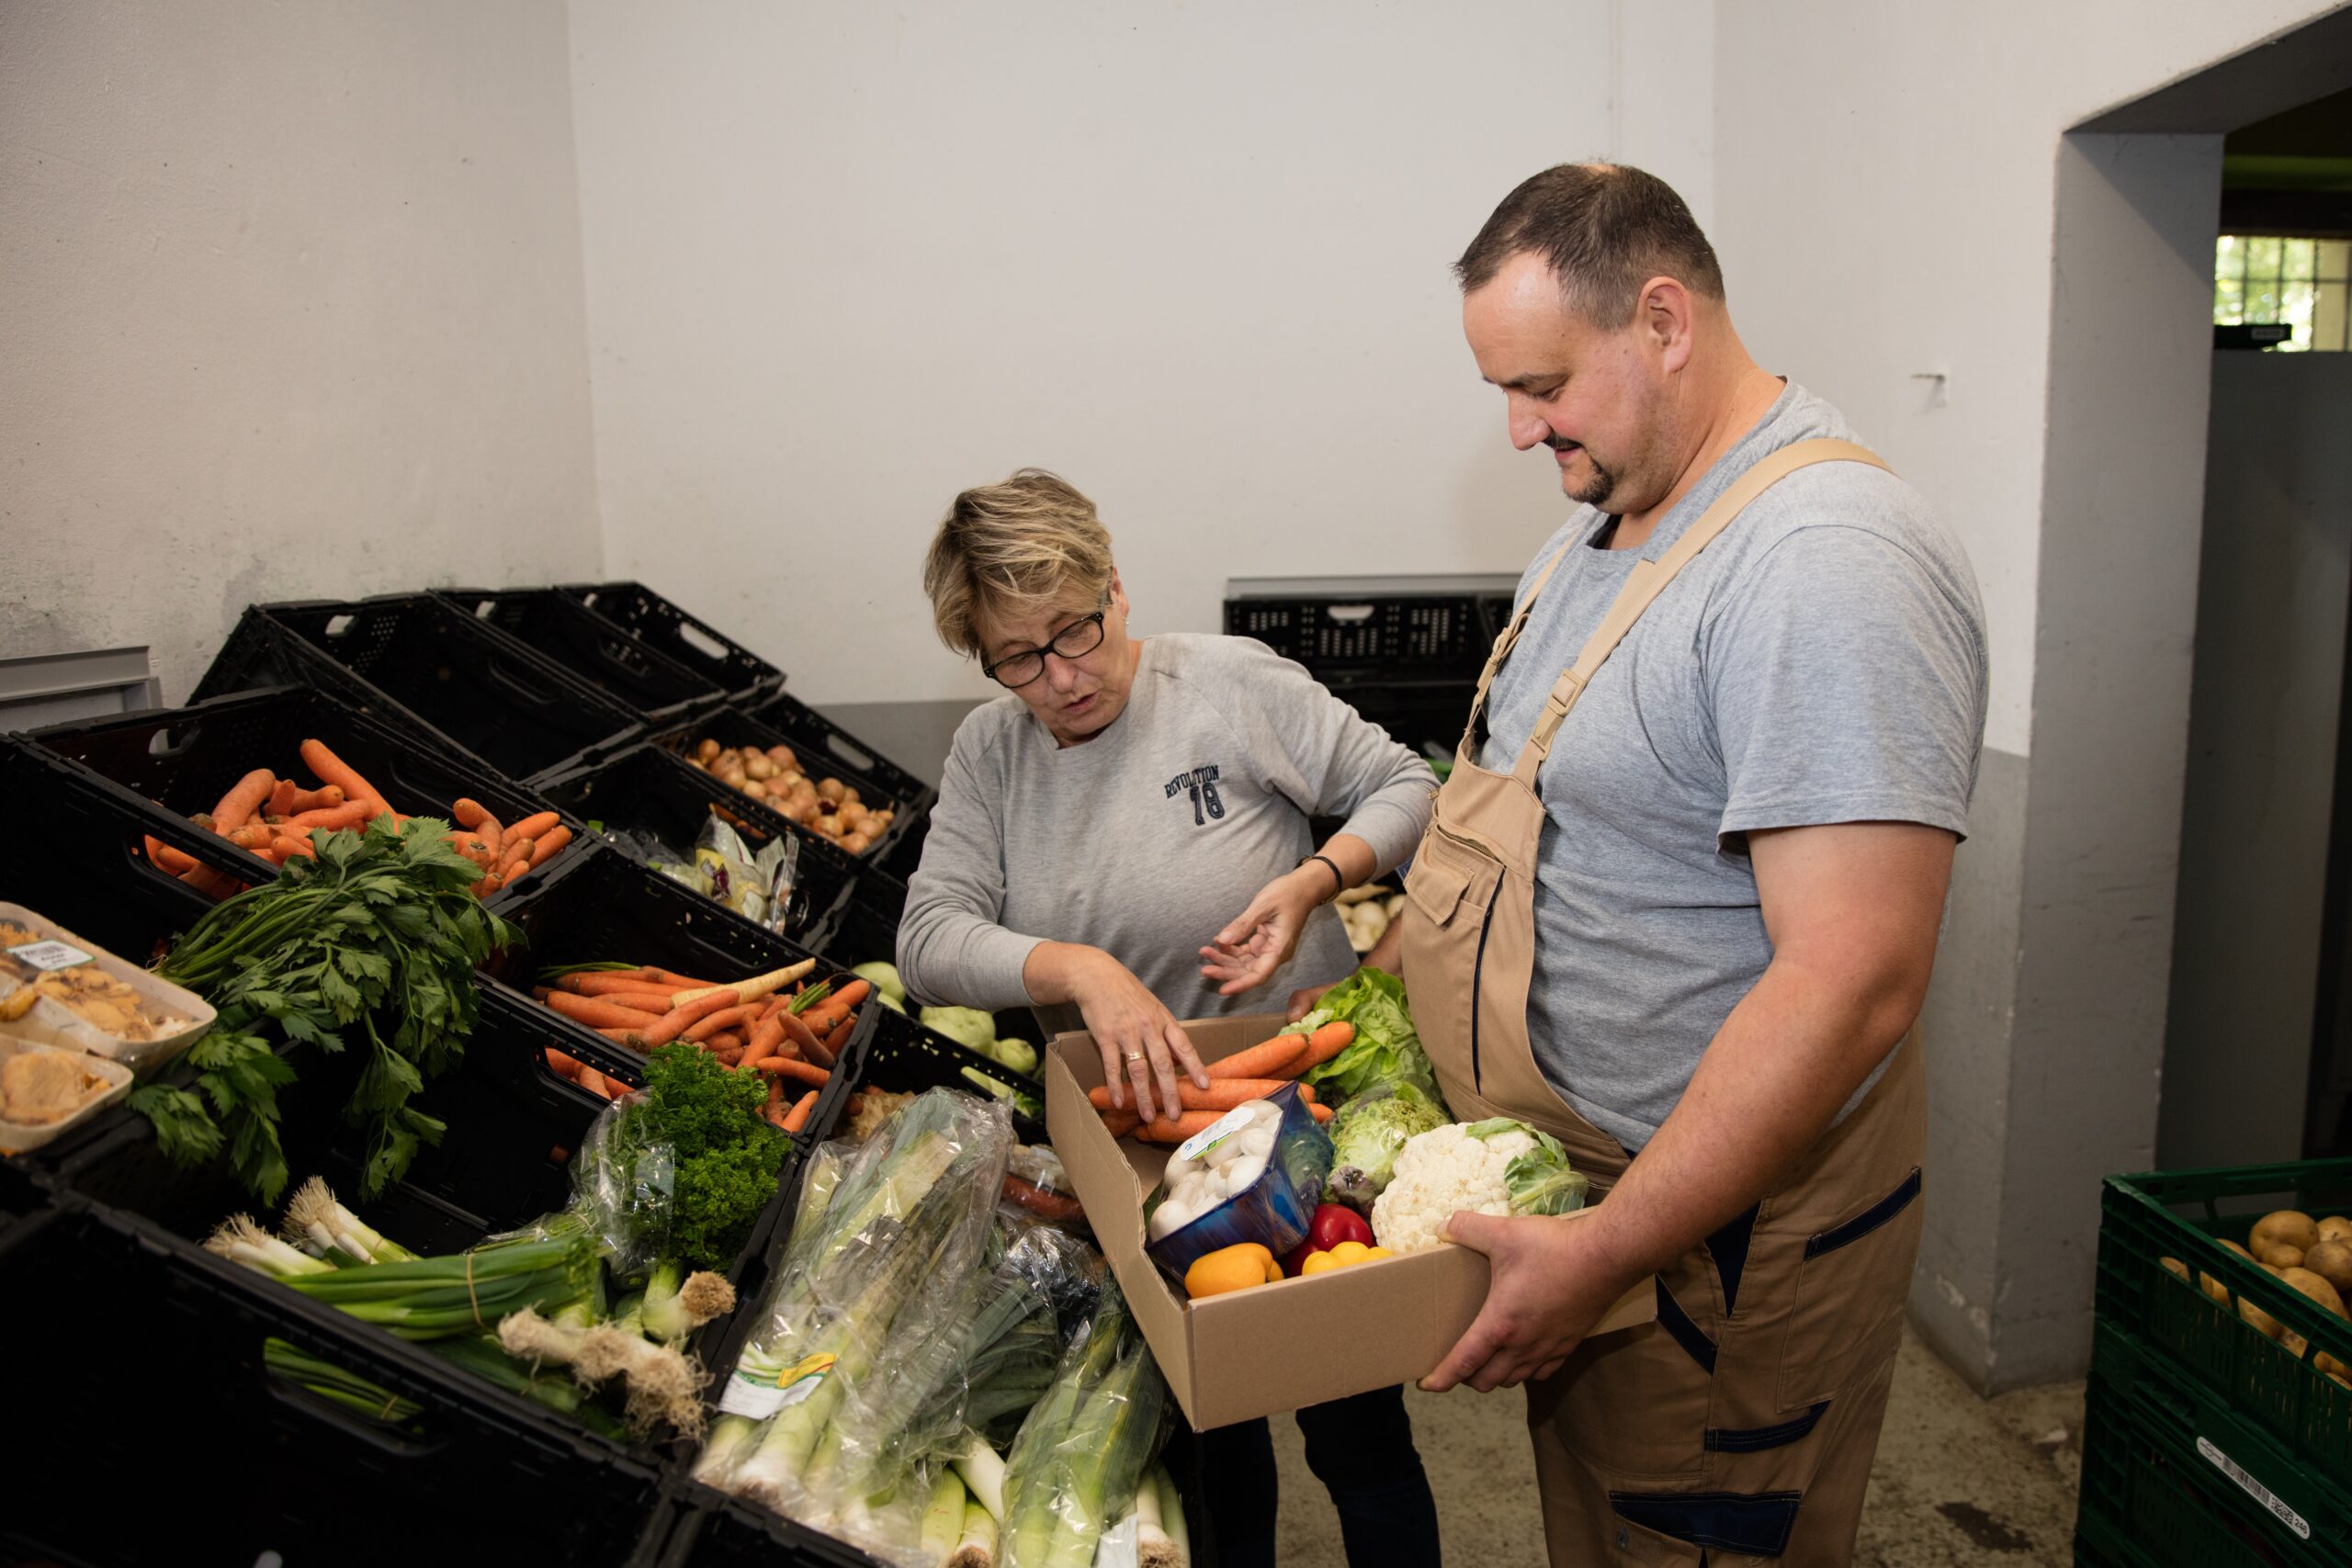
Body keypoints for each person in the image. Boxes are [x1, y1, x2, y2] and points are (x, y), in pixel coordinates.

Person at [1317, 164, 1988, 1566]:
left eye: (1542, 380)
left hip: (1706, 1258)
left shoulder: (1821, 560)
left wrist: (1612, 1249)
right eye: (1500, 388)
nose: (1517, 429)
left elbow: (1853, 978)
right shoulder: (1598, 529)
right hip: (1598, 1216)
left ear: (1665, 320)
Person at [895, 468, 1446, 1568]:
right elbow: (927, 939)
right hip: (1139, 1153)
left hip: (1302, 1122)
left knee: (1355, 1431)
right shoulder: (989, 755)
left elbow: (1408, 786)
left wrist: (1316, 880)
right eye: (1019, 657)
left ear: (1116, 588)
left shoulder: (1226, 685)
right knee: (1206, 1437)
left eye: (1075, 632)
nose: (1060, 677)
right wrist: (1075, 969)